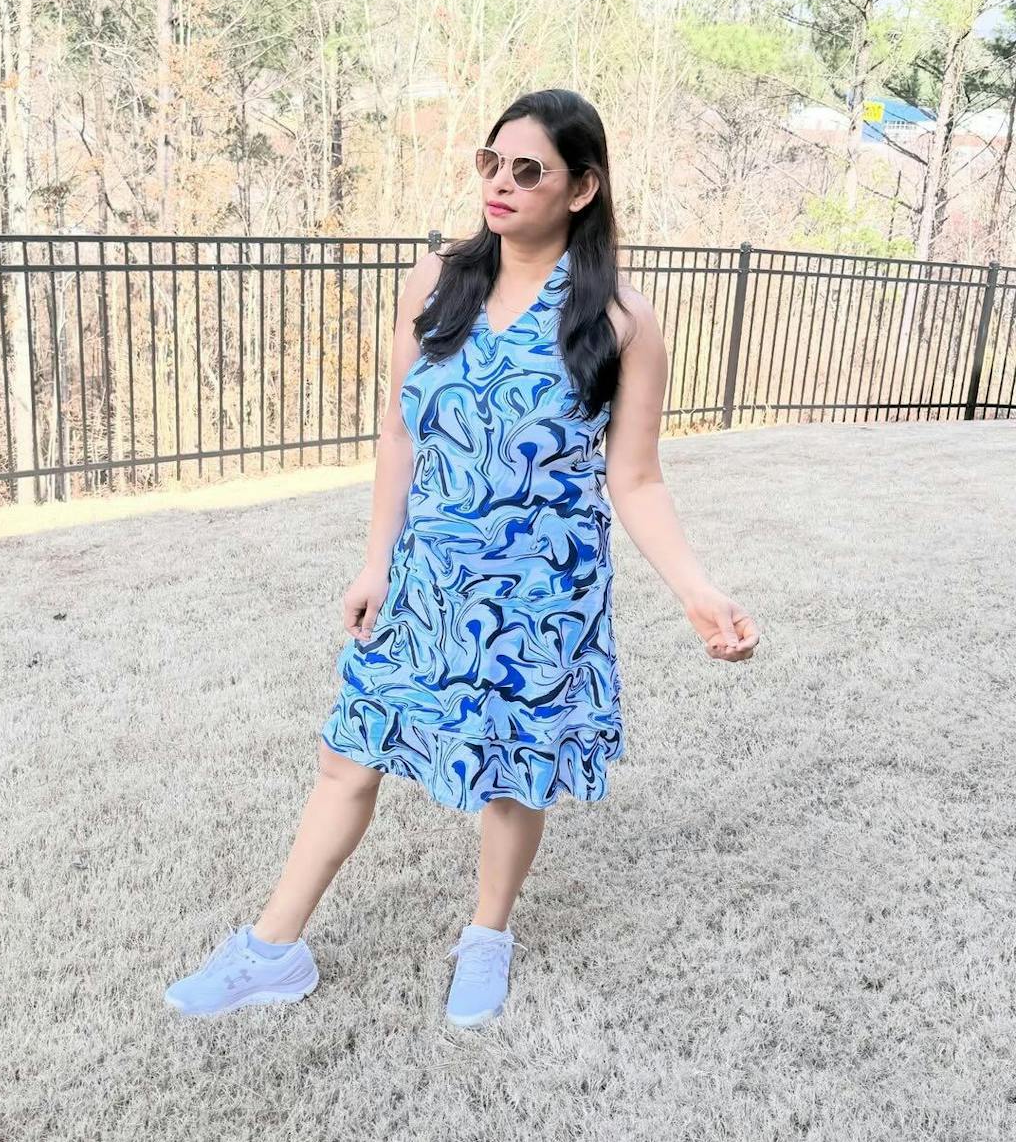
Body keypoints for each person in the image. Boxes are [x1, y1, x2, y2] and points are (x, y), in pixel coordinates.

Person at [163, 88, 760, 1026]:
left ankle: (488, 933)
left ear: (581, 188)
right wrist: (376, 561)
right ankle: (272, 949)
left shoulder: (622, 321)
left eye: (529, 170)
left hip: (543, 592)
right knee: (347, 751)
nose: (501, 183)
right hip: (429, 576)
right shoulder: (438, 279)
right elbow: (398, 432)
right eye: (491, 162)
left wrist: (697, 590)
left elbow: (636, 478)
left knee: (516, 771)